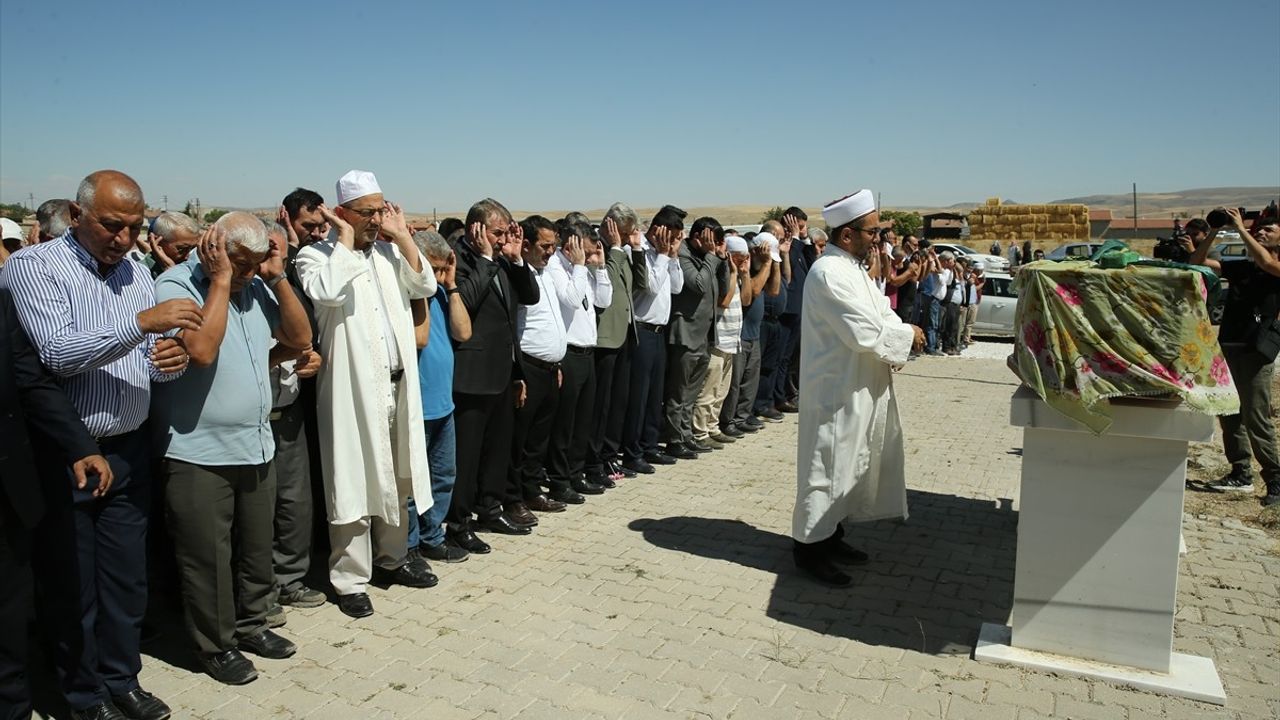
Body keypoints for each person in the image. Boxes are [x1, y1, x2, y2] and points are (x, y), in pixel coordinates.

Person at [2, 169, 195, 720]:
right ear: (79, 214)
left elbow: (150, 356)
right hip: (67, 454)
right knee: (73, 583)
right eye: (112, 226)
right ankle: (82, 695)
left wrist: (170, 360)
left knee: (125, 579)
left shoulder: (135, 274)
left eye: (135, 227)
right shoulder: (35, 268)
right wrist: (142, 324)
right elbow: (57, 354)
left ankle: (122, 678)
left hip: (128, 449)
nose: (125, 239)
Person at [152, 213, 313, 684]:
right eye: (241, 263)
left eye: (254, 264)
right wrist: (221, 280)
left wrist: (277, 277)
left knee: (256, 547)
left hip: (255, 442)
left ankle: (253, 622)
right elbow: (200, 349)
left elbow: (300, 339)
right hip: (198, 450)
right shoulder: (177, 285)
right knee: (207, 557)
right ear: (214, 247)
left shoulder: (258, 284)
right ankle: (215, 644)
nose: (248, 274)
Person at [294, 170, 438, 619]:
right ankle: (350, 579)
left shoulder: (389, 255)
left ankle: (393, 559)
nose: (377, 219)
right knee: (353, 480)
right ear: (343, 214)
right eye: (368, 212)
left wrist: (403, 238)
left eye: (382, 209)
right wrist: (343, 240)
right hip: (351, 389)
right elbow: (327, 291)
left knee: (398, 475)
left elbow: (425, 286)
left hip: (397, 383)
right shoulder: (314, 257)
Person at [793, 188, 924, 588]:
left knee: (847, 466)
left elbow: (881, 312)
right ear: (847, 235)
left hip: (858, 386)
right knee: (826, 469)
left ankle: (832, 537)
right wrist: (907, 337)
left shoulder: (852, 270)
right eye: (872, 232)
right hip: (836, 391)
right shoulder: (829, 273)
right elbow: (863, 331)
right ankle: (809, 549)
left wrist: (903, 331)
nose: (878, 239)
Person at [0, 285, 114, 720]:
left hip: (7, 487)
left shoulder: (1, 298)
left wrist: (79, 445)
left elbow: (29, 379)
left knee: (8, 618)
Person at [446, 198, 540, 554]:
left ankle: (490, 508)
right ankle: (458, 523)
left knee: (497, 450)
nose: (502, 240)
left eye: (505, 233)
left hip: (502, 371)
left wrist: (516, 260)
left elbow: (529, 296)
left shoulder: (502, 261)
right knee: (467, 456)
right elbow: (465, 301)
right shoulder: (460, 259)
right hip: (470, 375)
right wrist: (486, 258)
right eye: (498, 233)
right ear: (477, 230)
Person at [1191, 209, 1280, 506]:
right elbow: (1198, 263)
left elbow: (1267, 263)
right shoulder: (1242, 266)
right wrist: (1214, 231)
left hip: (1257, 349)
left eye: (1270, 230)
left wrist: (1241, 229)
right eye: (1260, 229)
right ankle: (1240, 472)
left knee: (1256, 416)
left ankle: (1275, 479)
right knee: (1230, 413)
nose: (1262, 232)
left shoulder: (1275, 266)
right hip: (1229, 343)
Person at [506, 215, 577, 529]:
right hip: (528, 369)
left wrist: (557, 363)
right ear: (526, 244)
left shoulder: (548, 274)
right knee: (517, 439)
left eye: (553, 246)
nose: (551, 252)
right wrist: (516, 373)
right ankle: (512, 498)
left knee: (539, 439)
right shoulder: (518, 274)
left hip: (550, 370)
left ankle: (533, 490)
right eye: (545, 246)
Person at [406, 230, 472, 563]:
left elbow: (463, 332)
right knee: (411, 486)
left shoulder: (443, 293)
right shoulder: (409, 295)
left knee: (443, 476)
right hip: (416, 405)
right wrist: (422, 284)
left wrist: (451, 284)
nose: (436, 275)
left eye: (440, 268)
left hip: (443, 404)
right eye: (429, 268)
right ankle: (409, 545)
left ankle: (433, 536)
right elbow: (420, 339)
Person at [547, 220, 613, 495]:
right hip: (569, 353)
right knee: (565, 423)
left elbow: (603, 301)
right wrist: (578, 265)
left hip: (588, 351)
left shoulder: (582, 268)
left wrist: (600, 268)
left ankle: (576, 473)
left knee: (583, 420)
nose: (588, 254)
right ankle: (559, 479)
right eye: (585, 249)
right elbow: (572, 299)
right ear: (571, 245)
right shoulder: (556, 267)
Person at [620, 206, 687, 475]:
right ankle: (632, 451)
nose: (675, 241)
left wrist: (672, 256)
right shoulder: (636, 251)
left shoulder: (664, 253)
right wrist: (660, 255)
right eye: (674, 235)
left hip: (659, 331)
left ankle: (649, 445)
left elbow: (676, 286)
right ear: (661, 230)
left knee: (654, 394)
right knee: (639, 394)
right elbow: (649, 286)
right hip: (641, 329)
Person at [586, 204, 647, 492]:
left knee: (618, 401)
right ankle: (594, 459)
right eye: (624, 232)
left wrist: (635, 250)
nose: (627, 236)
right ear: (611, 228)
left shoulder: (621, 249)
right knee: (602, 404)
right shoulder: (598, 248)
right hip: (605, 337)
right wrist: (614, 248)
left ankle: (610, 454)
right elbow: (605, 283)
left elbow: (641, 285)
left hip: (624, 334)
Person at [663, 217, 724, 458]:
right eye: (711, 239)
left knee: (692, 393)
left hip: (704, 335)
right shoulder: (684, 254)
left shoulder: (708, 256)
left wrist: (722, 259)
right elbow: (698, 284)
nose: (714, 244)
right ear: (698, 236)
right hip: (686, 333)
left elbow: (721, 286)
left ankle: (687, 435)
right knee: (678, 393)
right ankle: (674, 439)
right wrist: (711, 257)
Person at [692, 234, 751, 448]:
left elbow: (746, 299)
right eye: (739, 257)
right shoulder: (721, 273)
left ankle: (713, 427)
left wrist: (744, 275)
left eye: (746, 257)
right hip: (718, 340)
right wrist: (733, 272)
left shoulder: (738, 273)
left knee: (721, 391)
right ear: (729, 256)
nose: (744, 261)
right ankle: (699, 432)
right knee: (708, 390)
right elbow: (724, 301)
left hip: (732, 340)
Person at [725, 232, 779, 436]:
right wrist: (765, 264)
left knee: (750, 381)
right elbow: (754, 292)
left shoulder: (761, 267)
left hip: (754, 334)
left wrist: (774, 262)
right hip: (740, 333)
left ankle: (743, 416)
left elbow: (773, 290)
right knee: (735, 383)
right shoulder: (743, 269)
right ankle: (729, 419)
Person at [753, 222, 791, 422]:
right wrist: (771, 259)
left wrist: (783, 255)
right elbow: (772, 289)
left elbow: (787, 278)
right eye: (780, 236)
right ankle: (754, 405)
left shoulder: (776, 257)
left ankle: (765, 402)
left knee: (770, 365)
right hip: (762, 321)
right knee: (757, 367)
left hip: (776, 320)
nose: (782, 239)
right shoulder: (760, 256)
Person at [146, 212, 200, 279]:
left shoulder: (194, 269)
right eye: (181, 249)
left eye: (192, 248)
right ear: (156, 243)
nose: (188, 256)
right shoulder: (140, 274)